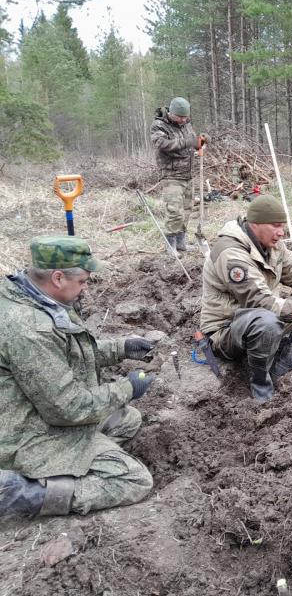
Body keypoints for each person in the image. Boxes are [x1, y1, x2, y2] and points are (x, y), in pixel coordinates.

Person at [0, 237, 156, 520]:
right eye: (82, 281)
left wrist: (121, 348)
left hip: (32, 411)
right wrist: (127, 388)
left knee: (127, 419)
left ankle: (75, 463)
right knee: (135, 480)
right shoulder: (30, 330)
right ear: (58, 278)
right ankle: (25, 493)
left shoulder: (30, 295)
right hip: (24, 434)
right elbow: (68, 408)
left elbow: (64, 354)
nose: (85, 289)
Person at [200, 195, 292, 404]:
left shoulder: (272, 244)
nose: (281, 232)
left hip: (257, 316)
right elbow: (259, 300)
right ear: (255, 224)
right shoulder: (231, 253)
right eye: (275, 226)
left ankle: (284, 367)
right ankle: (261, 387)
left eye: (282, 226)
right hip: (226, 330)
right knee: (268, 323)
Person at [150, 96, 208, 255]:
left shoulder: (186, 124)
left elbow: (193, 143)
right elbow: (163, 145)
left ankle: (181, 243)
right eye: (180, 117)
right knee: (175, 211)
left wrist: (200, 142)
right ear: (171, 113)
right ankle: (170, 246)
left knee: (187, 210)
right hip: (171, 176)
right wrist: (188, 142)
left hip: (188, 175)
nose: (183, 120)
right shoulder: (159, 126)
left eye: (186, 117)